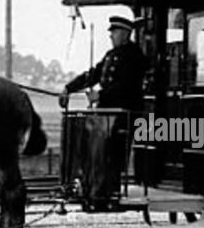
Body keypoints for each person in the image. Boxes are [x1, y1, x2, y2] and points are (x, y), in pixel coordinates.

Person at [59, 16, 146, 208]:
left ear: (125, 34)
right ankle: (92, 187)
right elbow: (93, 75)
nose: (111, 36)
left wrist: (100, 95)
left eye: (114, 32)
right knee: (94, 151)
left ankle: (106, 192)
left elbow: (127, 87)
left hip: (122, 116)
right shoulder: (110, 55)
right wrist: (69, 88)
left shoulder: (134, 56)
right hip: (106, 115)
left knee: (110, 156)